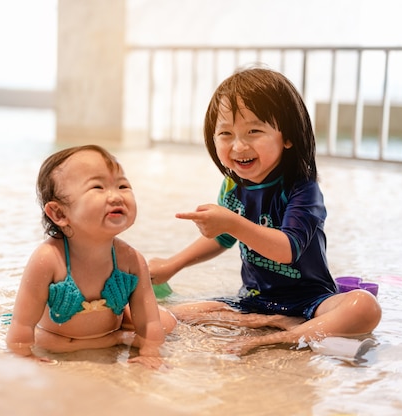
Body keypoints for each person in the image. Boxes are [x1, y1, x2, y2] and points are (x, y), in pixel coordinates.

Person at [148, 67, 381, 355]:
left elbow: (287, 249)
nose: (238, 145)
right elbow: (222, 237)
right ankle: (274, 322)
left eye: (254, 131)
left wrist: (232, 223)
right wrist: (172, 265)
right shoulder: (233, 185)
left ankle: (278, 336)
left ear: (287, 137)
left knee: (364, 307)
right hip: (252, 303)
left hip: (311, 302)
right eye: (225, 133)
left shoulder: (302, 189)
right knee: (163, 314)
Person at [6, 144, 177, 369]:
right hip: (58, 339)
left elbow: (149, 321)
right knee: (49, 342)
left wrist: (150, 351)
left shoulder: (131, 260)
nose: (116, 196)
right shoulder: (49, 259)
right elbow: (21, 324)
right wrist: (23, 355)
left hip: (111, 331)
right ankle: (115, 338)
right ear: (59, 213)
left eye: (123, 185)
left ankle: (121, 332)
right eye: (98, 187)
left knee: (165, 323)